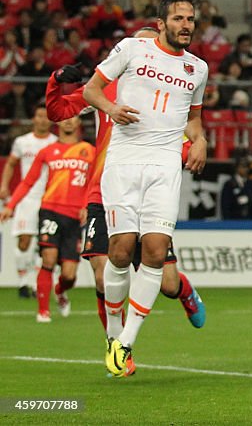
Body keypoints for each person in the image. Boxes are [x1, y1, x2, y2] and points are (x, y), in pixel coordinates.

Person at [82, 0, 209, 377]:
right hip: (123, 162)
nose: (185, 25)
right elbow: (91, 90)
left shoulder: (198, 69)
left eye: (190, 19)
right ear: (161, 23)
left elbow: (194, 120)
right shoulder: (131, 50)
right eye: (178, 19)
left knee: (154, 251)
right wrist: (111, 107)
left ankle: (125, 343)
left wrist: (200, 140)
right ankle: (113, 334)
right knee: (119, 253)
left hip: (165, 165)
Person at [44, 34, 205, 337]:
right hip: (105, 191)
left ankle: (184, 291)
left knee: (167, 284)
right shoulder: (105, 89)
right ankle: (116, 347)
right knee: (104, 277)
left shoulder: (170, 94)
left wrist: (193, 148)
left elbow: (183, 141)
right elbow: (58, 113)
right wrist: (56, 81)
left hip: (147, 192)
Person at [1, 115, 94, 322]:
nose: (69, 122)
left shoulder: (89, 151)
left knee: (69, 275)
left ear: (79, 123)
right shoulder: (47, 152)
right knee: (48, 259)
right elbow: (28, 182)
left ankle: (60, 291)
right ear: (58, 122)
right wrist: (10, 205)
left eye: (74, 118)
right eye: (65, 119)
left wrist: (87, 205)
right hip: (50, 210)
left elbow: (95, 182)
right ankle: (43, 310)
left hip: (74, 216)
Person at [0, 105, 57, 298]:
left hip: (49, 198)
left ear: (50, 120)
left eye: (45, 117)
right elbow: (10, 164)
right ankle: (23, 281)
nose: (42, 120)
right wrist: (4, 185)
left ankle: (33, 283)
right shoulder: (22, 142)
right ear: (33, 119)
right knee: (24, 242)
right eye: (39, 116)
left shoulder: (55, 143)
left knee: (44, 244)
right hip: (27, 198)